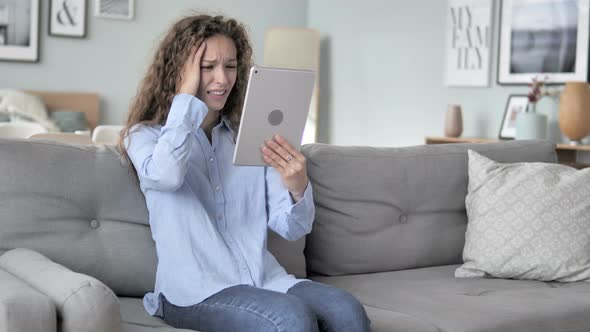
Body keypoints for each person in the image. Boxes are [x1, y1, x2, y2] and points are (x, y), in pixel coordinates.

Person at [118, 13, 370, 332]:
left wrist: (297, 186)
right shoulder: (145, 137)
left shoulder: (249, 137)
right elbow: (166, 177)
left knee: (347, 310)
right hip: (193, 292)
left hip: (267, 281)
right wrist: (185, 99)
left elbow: (292, 228)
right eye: (207, 67)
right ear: (181, 72)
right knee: (290, 318)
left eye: (231, 66)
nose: (222, 80)